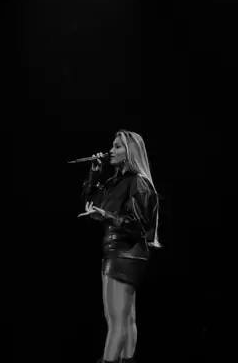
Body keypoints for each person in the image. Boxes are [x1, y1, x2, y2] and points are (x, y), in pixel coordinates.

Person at [78, 129, 161, 363]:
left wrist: (106, 216)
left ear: (130, 151)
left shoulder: (138, 182)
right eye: (112, 146)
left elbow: (139, 225)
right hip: (121, 252)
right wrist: (94, 176)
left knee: (116, 322)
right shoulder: (116, 182)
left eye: (117, 146)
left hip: (124, 253)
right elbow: (91, 204)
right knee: (126, 319)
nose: (110, 151)